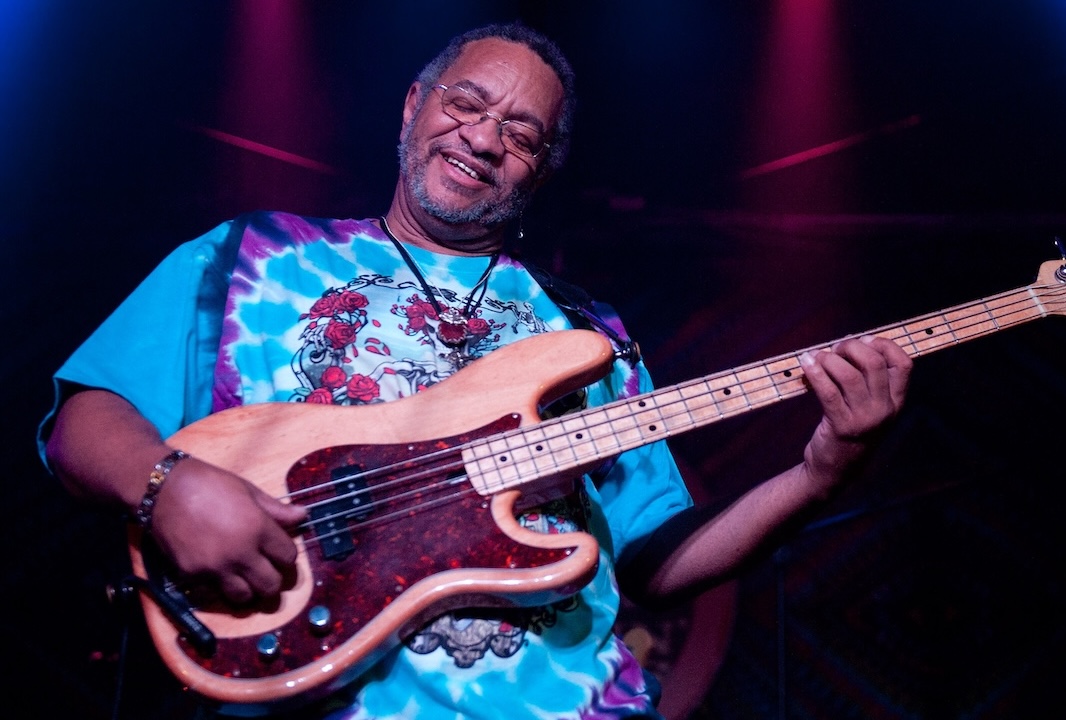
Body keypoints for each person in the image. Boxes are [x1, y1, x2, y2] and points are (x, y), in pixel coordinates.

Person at [39, 22, 911, 720]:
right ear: (415, 103)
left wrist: (821, 472)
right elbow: (85, 423)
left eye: (521, 133)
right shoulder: (253, 255)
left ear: (539, 171)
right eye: (467, 103)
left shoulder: (586, 331)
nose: (485, 138)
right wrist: (167, 485)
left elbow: (652, 558)